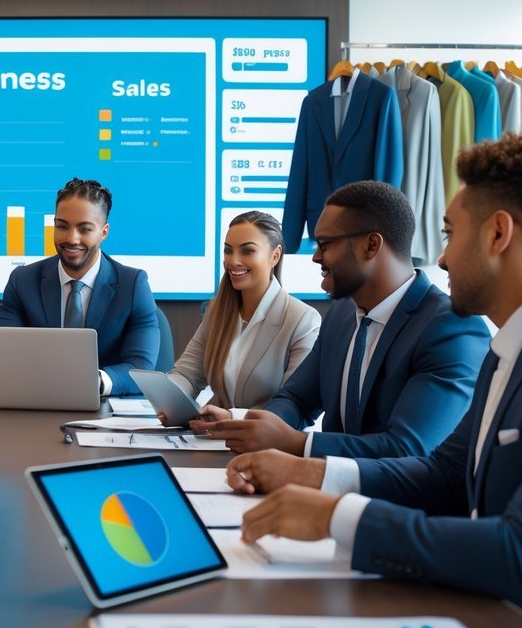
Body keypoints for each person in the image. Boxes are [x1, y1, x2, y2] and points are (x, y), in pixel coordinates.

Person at [232, 135, 522, 628]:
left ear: (498, 233)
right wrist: (315, 477)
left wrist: (338, 516)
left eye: (450, 234)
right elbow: (445, 474)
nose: (442, 257)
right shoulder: (511, 347)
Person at [199, 180, 489, 459]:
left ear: (371, 246)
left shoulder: (451, 328)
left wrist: (298, 443)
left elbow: (406, 449)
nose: (315, 257)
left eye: (325, 245)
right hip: (321, 492)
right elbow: (297, 399)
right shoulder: (341, 314)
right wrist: (255, 429)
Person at [0, 178, 158, 397]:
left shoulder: (133, 285)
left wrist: (93, 382)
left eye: (84, 229)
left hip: (104, 412)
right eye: (62, 226)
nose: (71, 238)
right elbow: (0, 355)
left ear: (104, 232)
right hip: (36, 403)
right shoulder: (23, 281)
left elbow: (141, 366)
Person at [166, 211, 320, 419]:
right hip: (213, 439)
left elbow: (294, 405)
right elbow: (187, 375)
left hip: (268, 443)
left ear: (275, 256)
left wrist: (234, 418)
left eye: (247, 251)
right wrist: (170, 401)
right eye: (228, 251)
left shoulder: (302, 320)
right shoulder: (217, 312)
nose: (233, 261)